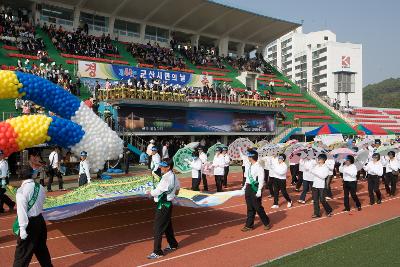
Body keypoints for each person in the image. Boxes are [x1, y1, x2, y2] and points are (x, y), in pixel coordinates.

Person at [13, 166, 53, 267]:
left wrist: (22, 229)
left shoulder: (21, 191)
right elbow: (42, 201)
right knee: (41, 250)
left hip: (29, 225)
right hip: (40, 221)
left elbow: (22, 212)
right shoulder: (40, 187)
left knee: (22, 254)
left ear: (20, 176)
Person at [147, 160, 180, 259]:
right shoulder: (173, 176)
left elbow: (158, 191)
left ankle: (157, 252)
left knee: (158, 227)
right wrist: (172, 194)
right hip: (168, 203)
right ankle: (173, 244)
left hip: (163, 204)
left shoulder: (166, 178)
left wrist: (149, 192)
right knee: (167, 225)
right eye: (160, 165)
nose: (161, 167)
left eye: (163, 166)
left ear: (168, 167)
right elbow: (178, 189)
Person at [241, 150, 270, 232]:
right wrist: (244, 187)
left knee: (257, 207)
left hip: (255, 188)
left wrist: (259, 190)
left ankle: (266, 222)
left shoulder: (259, 167)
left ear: (252, 157)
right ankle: (249, 225)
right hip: (248, 187)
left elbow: (261, 179)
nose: (248, 157)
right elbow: (247, 177)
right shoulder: (250, 166)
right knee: (250, 207)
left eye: (249, 156)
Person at [310, 154, 333, 218]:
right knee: (315, 200)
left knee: (322, 200)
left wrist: (315, 173)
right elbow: (311, 171)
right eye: (318, 158)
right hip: (315, 184)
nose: (318, 160)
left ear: (324, 160)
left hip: (322, 186)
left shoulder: (326, 167)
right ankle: (317, 213)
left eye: (320, 159)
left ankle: (329, 210)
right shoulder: (316, 166)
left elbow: (323, 176)